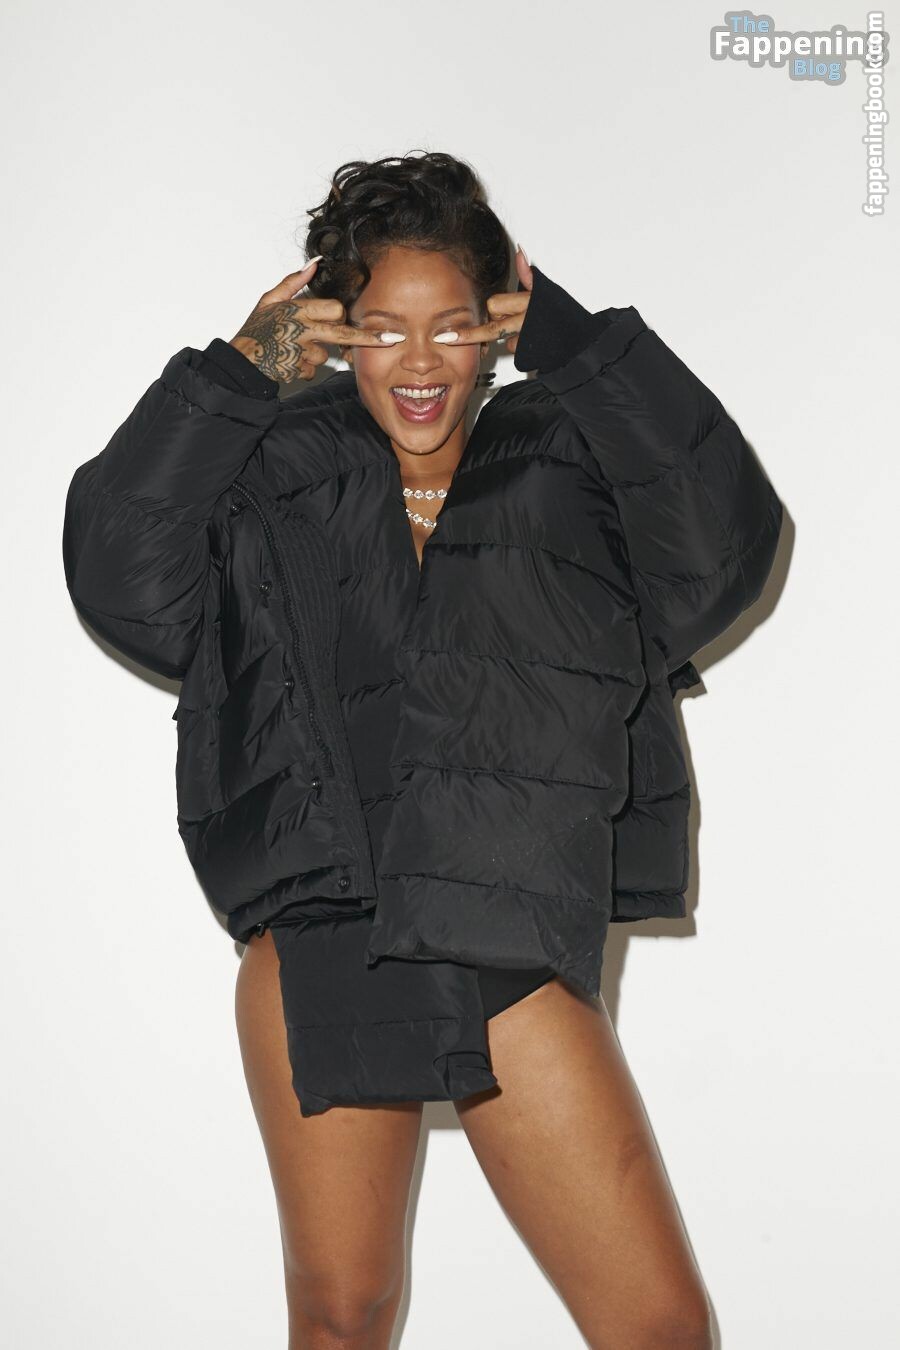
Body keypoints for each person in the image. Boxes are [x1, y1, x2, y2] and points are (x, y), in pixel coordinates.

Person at [63, 150, 782, 1348]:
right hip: (326, 914)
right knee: (344, 1312)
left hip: (501, 917)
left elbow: (724, 548)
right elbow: (121, 578)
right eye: (385, 328)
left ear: (494, 326)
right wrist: (238, 374)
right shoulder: (271, 471)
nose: (420, 362)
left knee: (659, 1326)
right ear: (339, 333)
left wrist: (578, 345)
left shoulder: (565, 463)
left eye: (451, 325)